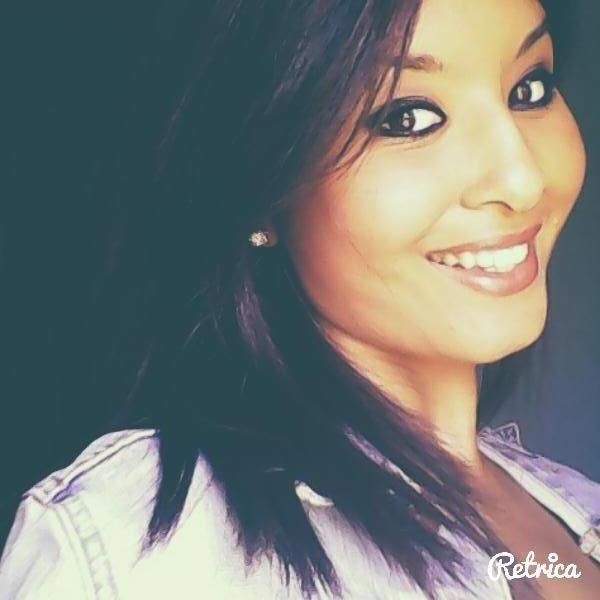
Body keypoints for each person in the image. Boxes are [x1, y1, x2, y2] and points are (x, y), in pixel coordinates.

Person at [1, 0, 599, 598]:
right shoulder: (141, 549)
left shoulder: (574, 505)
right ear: (261, 178)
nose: (522, 180)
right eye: (409, 118)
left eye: (529, 89)